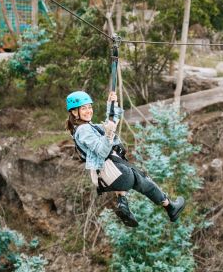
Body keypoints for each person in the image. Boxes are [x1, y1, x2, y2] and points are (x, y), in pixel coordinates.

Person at [65, 90, 186, 227]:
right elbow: (102, 151)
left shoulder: (85, 128)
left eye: (89, 107)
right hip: (117, 173)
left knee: (132, 182)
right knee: (146, 183)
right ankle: (170, 207)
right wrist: (109, 133)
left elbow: (110, 123)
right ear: (75, 112)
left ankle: (123, 204)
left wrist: (112, 104)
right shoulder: (84, 130)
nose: (89, 111)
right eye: (84, 108)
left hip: (106, 179)